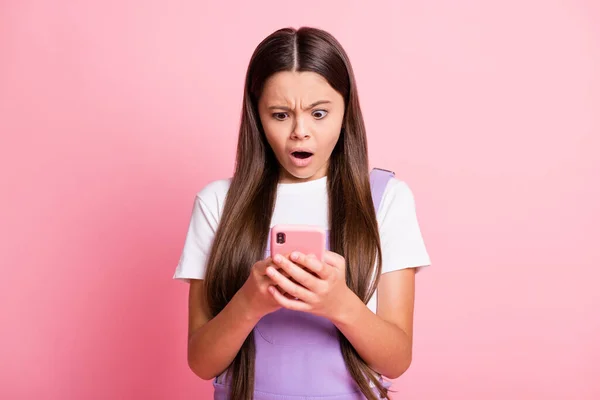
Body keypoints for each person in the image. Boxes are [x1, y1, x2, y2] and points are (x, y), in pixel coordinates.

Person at [173, 26, 431, 400]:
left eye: (319, 113)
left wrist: (340, 305)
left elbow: (396, 359)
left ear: (346, 112)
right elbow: (201, 361)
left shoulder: (386, 199)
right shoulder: (218, 203)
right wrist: (249, 302)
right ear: (257, 117)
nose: (300, 132)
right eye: (280, 115)